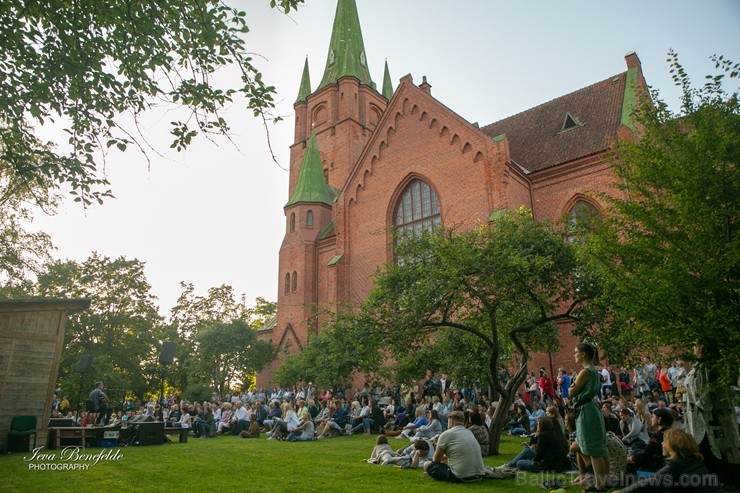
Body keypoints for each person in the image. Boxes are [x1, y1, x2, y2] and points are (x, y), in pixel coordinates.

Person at [613, 428, 722, 493]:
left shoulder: (677, 465)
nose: (662, 444)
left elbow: (649, 483)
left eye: (664, 441)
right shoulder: (692, 459)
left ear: (673, 445)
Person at [571, 343, 609, 492]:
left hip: (586, 410)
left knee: (593, 449)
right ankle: (605, 481)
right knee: (600, 448)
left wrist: (572, 387)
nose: (574, 355)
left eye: (576, 352)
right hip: (592, 408)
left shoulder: (585, 372)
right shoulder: (594, 371)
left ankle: (599, 485)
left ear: (584, 354)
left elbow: (573, 391)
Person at [423, 410, 486, 483]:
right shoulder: (469, 432)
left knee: (427, 464)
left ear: (451, 422)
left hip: (461, 476)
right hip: (479, 475)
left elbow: (436, 460)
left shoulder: (447, 434)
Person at [627, 407, 673, 474]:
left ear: (659, 419)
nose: (651, 419)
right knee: (637, 451)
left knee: (633, 461)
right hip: (662, 460)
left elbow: (646, 453)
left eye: (653, 417)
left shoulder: (658, 435)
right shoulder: (667, 431)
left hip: (658, 464)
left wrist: (630, 459)